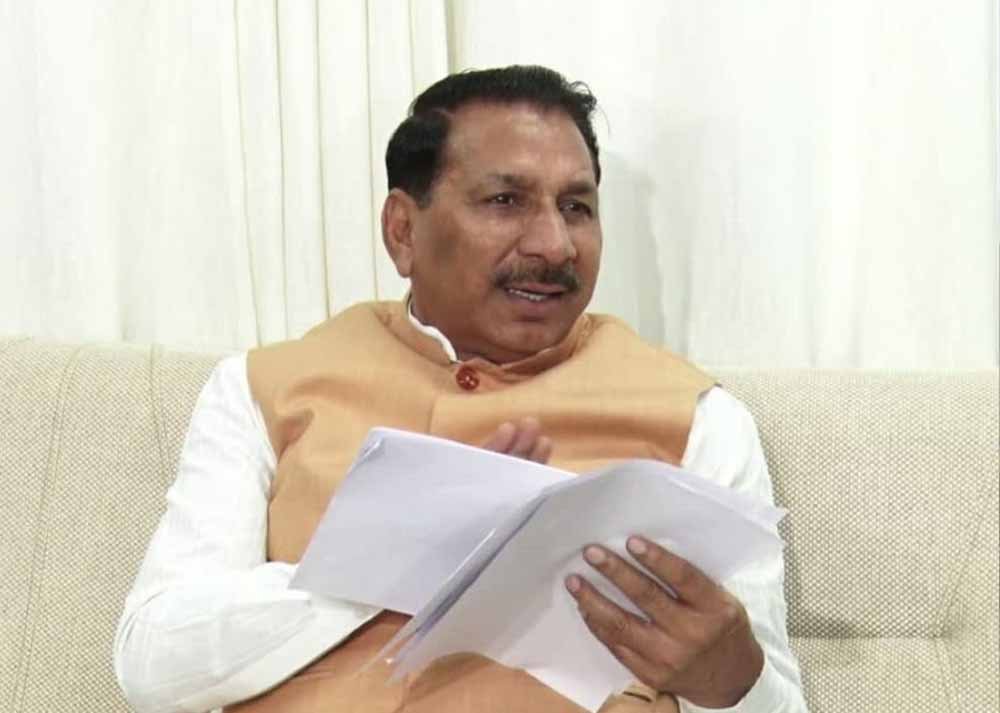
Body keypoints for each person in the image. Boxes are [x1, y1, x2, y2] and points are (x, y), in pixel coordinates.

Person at [114, 65, 807, 713]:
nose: (555, 245)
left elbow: (772, 696)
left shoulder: (697, 417)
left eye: (576, 206)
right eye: (505, 201)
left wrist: (735, 682)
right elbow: (152, 663)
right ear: (402, 231)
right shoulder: (263, 388)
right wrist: (406, 552)